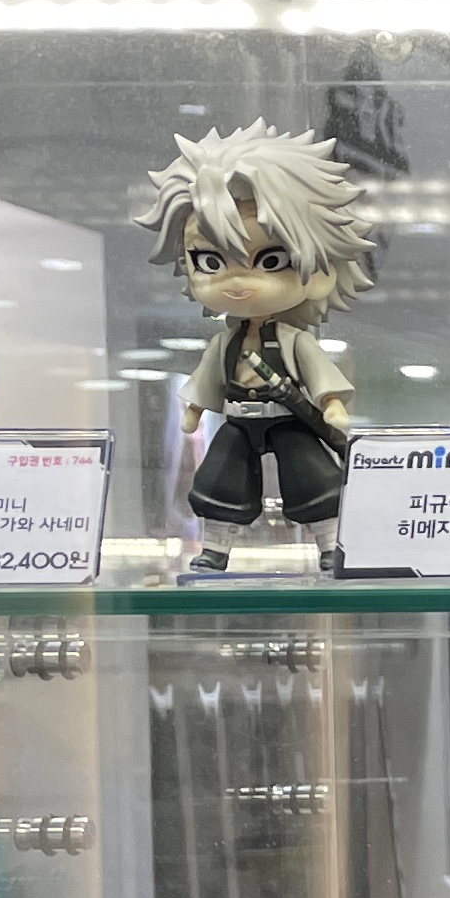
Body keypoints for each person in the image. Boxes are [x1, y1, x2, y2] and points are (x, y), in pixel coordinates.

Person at [140, 124, 381, 570]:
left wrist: (331, 404)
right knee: (220, 483)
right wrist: (194, 410)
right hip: (238, 418)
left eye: (270, 261)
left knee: (314, 482)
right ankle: (215, 549)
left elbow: (319, 376)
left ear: (320, 269)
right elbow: (207, 380)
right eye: (209, 261)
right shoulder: (225, 342)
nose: (237, 282)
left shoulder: (294, 340)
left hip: (288, 416)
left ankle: (330, 546)